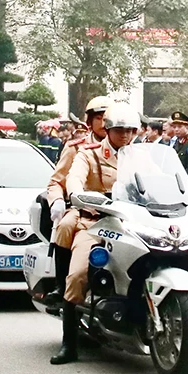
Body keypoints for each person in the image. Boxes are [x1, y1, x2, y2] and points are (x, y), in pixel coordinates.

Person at [51, 102, 139, 365]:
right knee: (77, 275)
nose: (125, 136)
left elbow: (159, 180)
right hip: (94, 221)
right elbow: (74, 178)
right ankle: (69, 343)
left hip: (132, 224)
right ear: (108, 129)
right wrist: (75, 194)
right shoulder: (87, 153)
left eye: (130, 131)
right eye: (119, 130)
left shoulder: (139, 155)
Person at [46, 97, 111, 302]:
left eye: (107, 118)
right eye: (98, 118)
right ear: (89, 122)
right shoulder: (77, 147)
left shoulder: (128, 147)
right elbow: (57, 181)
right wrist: (57, 200)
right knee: (65, 226)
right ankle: (62, 285)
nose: (103, 123)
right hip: (84, 208)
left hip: (122, 210)